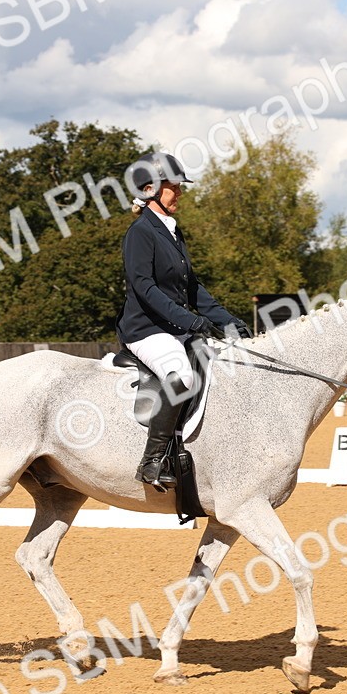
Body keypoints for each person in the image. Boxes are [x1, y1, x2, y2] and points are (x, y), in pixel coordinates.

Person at [116, 151, 251, 487]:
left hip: (173, 329)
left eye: (178, 187)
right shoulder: (140, 233)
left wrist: (228, 321)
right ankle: (151, 462)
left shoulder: (173, 233)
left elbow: (192, 289)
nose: (179, 193)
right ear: (149, 190)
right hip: (145, 330)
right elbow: (145, 288)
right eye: (172, 188)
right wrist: (190, 322)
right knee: (182, 376)